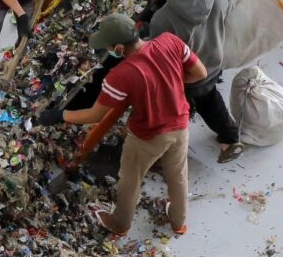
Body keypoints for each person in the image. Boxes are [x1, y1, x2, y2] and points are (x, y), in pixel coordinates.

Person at [38, 13, 207, 236]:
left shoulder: (120, 75)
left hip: (148, 136)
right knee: (177, 175)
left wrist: (60, 115)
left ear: (118, 48)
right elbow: (200, 72)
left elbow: (95, 115)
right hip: (181, 125)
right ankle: (178, 221)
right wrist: (169, 83)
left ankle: (120, 224)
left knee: (130, 179)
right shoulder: (170, 41)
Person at [150, 0, 244, 163]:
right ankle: (231, 139)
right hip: (215, 61)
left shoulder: (162, 20)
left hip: (188, 79)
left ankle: (164, 156)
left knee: (172, 114)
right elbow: (227, 15)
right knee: (210, 98)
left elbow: (163, 64)